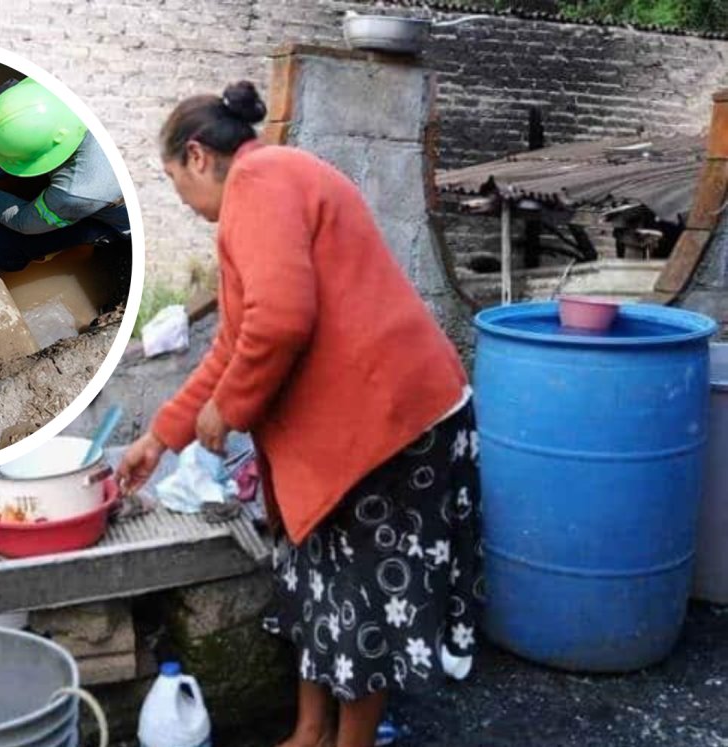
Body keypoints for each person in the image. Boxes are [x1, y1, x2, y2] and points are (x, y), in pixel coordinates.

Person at [116, 82, 483, 747]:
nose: (187, 207)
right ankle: (310, 730)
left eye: (176, 186)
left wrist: (228, 410)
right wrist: (160, 436)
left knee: (363, 598)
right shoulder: (265, 190)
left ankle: (350, 741)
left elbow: (282, 320)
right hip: (364, 423)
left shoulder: (259, 182)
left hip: (397, 426)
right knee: (316, 583)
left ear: (198, 156)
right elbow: (237, 338)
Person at [0, 78, 130, 273]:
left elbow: (23, 221)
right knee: (1, 97)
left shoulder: (77, 191)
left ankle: (86, 241)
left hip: (105, 216)